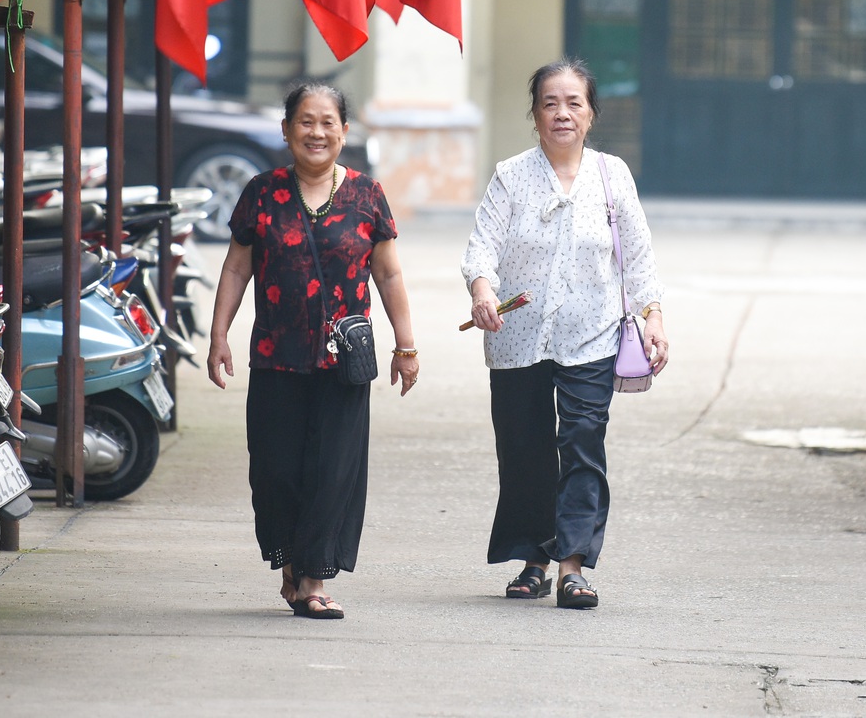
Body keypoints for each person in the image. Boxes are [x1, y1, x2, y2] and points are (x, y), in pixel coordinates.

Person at [205, 82, 419, 621]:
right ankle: (291, 568)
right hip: (276, 355)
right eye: (305, 121)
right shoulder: (261, 192)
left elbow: (389, 273)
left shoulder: (368, 195)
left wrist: (406, 346)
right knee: (276, 471)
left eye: (328, 122)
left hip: (344, 363)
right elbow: (236, 267)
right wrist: (218, 335)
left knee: (333, 469)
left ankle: (315, 580)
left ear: (345, 133)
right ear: (286, 130)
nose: (316, 132)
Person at [462, 57, 668, 611]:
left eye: (574, 102)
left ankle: (572, 566)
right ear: (534, 114)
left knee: (582, 444)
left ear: (591, 114)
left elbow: (639, 255)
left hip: (592, 336)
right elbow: (481, 246)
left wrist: (653, 316)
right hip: (515, 336)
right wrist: (483, 291)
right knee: (525, 451)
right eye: (550, 103)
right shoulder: (510, 175)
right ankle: (534, 559)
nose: (562, 113)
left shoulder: (612, 175)